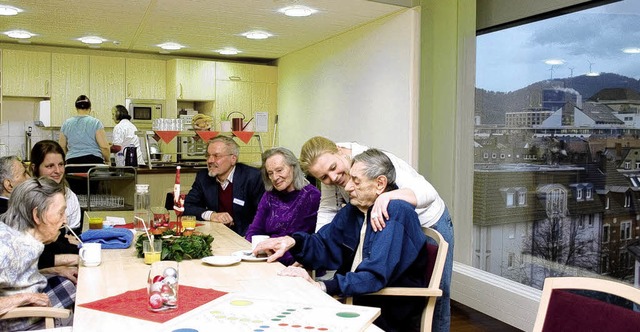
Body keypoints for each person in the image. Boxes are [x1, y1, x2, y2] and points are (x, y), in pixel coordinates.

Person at [255, 149, 428, 332]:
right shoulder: (355, 209)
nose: (347, 187)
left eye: (356, 181)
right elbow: (324, 243)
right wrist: (292, 242)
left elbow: (374, 276)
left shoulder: (396, 213)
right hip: (354, 298)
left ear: (380, 183)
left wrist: (322, 285)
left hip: (385, 311)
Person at [299, 136, 454, 332]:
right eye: (323, 178)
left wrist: (388, 196)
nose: (335, 179)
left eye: (333, 168)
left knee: (437, 294)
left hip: (428, 217)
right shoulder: (350, 186)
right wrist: (307, 247)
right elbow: (327, 213)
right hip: (393, 221)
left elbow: (427, 193)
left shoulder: (377, 167)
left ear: (340, 151)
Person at [0, 178, 76, 331]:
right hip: (28, 326)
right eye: (60, 213)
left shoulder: (23, 240)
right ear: (37, 215)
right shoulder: (9, 249)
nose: (65, 220)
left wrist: (53, 270)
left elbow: (13, 280)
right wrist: (26, 297)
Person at [244, 147, 321, 265]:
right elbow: (254, 230)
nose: (275, 177)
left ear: (293, 168)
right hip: (266, 258)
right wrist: (260, 250)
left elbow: (305, 242)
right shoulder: (269, 195)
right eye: (270, 173)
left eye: (279, 170)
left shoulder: (311, 196)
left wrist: (269, 252)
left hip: (297, 264)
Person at [184, 135, 264, 236]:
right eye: (208, 156)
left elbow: (263, 215)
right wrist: (212, 215)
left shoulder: (253, 177)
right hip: (216, 235)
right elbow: (187, 207)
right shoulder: (203, 177)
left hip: (246, 237)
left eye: (217, 156)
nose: (210, 160)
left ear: (233, 159)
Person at [29, 140, 81, 274]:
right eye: (50, 166)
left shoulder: (70, 196)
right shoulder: (27, 198)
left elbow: (73, 237)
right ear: (35, 168)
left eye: (61, 164)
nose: (57, 171)